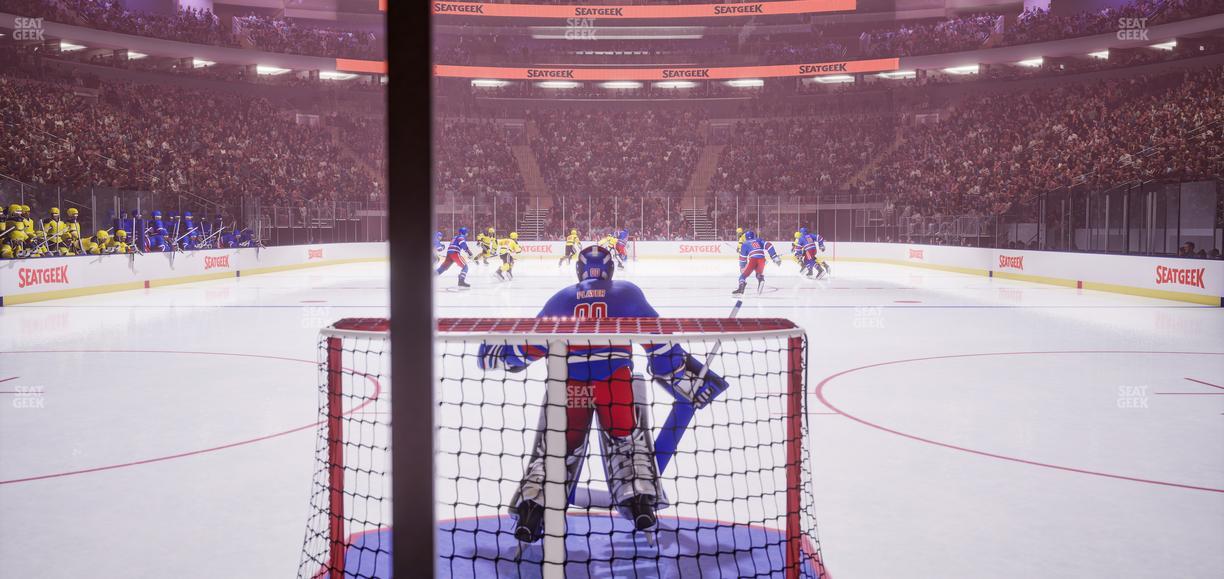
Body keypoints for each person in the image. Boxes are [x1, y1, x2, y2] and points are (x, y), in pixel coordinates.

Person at [477, 245, 729, 543]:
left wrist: (497, 354)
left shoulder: (560, 299)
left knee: (557, 451)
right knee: (627, 444)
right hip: (614, 383)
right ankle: (639, 501)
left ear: (579, 270)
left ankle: (532, 508)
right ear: (610, 269)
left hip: (570, 385)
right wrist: (679, 373)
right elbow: (659, 342)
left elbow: (526, 349)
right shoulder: (626, 293)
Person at [733, 231, 781, 295]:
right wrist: (774, 256)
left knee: (743, 276)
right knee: (758, 274)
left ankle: (741, 287)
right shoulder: (759, 240)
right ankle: (761, 279)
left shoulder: (745, 244)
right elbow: (769, 245)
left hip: (753, 260)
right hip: (762, 259)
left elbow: (742, 258)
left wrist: (742, 267)